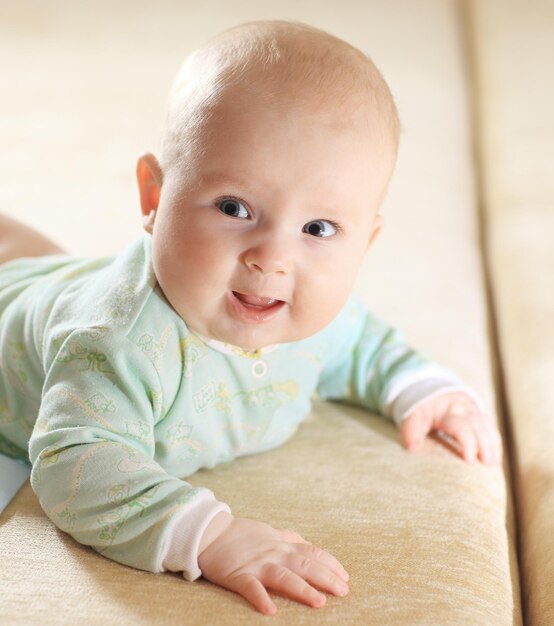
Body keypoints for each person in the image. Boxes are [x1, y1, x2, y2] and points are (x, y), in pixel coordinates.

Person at [0, 20, 502, 615]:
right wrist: (211, 537)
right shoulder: (116, 345)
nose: (272, 259)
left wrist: (421, 388)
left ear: (365, 244)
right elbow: (76, 465)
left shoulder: (312, 316)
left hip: (57, 283)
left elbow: (364, 345)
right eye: (236, 208)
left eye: (318, 228)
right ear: (154, 199)